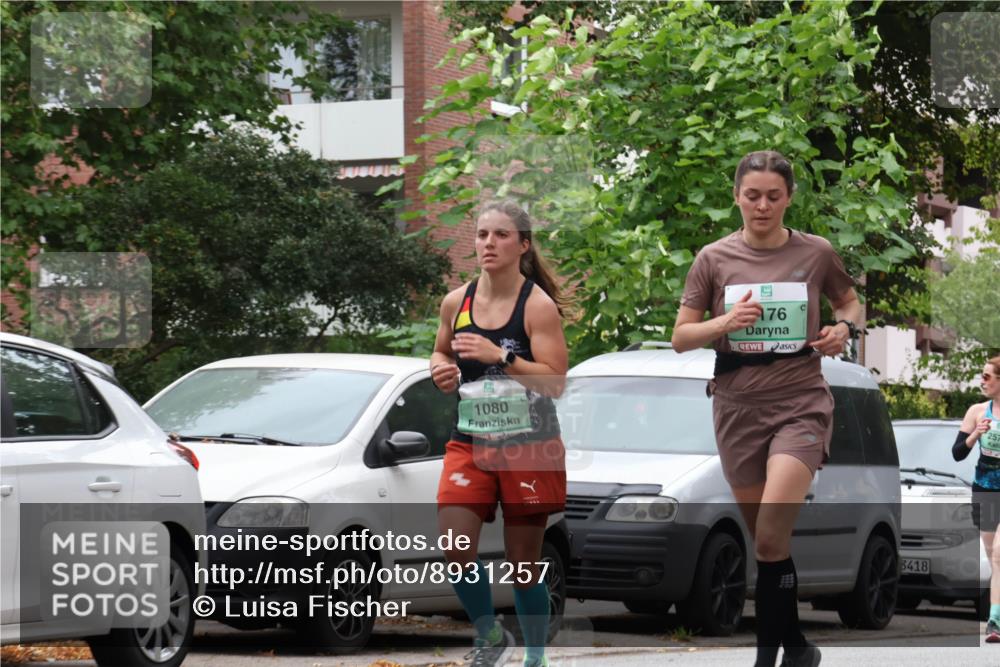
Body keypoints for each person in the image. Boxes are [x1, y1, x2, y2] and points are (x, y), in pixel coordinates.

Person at [671, 150, 862, 667]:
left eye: (773, 196)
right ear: (736, 196)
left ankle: (766, 660)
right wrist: (724, 324)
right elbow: (681, 338)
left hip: (799, 401)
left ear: (789, 198)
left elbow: (849, 302)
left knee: (773, 530)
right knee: (767, 545)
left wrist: (844, 329)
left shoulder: (816, 252)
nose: (762, 206)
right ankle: (797, 647)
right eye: (752, 195)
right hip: (736, 407)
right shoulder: (712, 259)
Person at [430, 199, 569, 667]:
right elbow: (440, 354)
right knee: (455, 548)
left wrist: (501, 356)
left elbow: (554, 382)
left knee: (523, 565)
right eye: (482, 234)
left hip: (529, 446)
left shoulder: (537, 306)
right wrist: (442, 371)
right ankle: (490, 637)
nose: (489, 243)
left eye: (501, 235)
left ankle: (534, 656)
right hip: (470, 439)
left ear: (523, 245)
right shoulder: (457, 301)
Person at [952, 355, 1000, 643]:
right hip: (984, 489)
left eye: (988, 376)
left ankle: (994, 621)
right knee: (995, 560)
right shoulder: (977, 411)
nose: (982, 381)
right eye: (981, 375)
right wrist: (974, 435)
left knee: (999, 553)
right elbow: (957, 452)